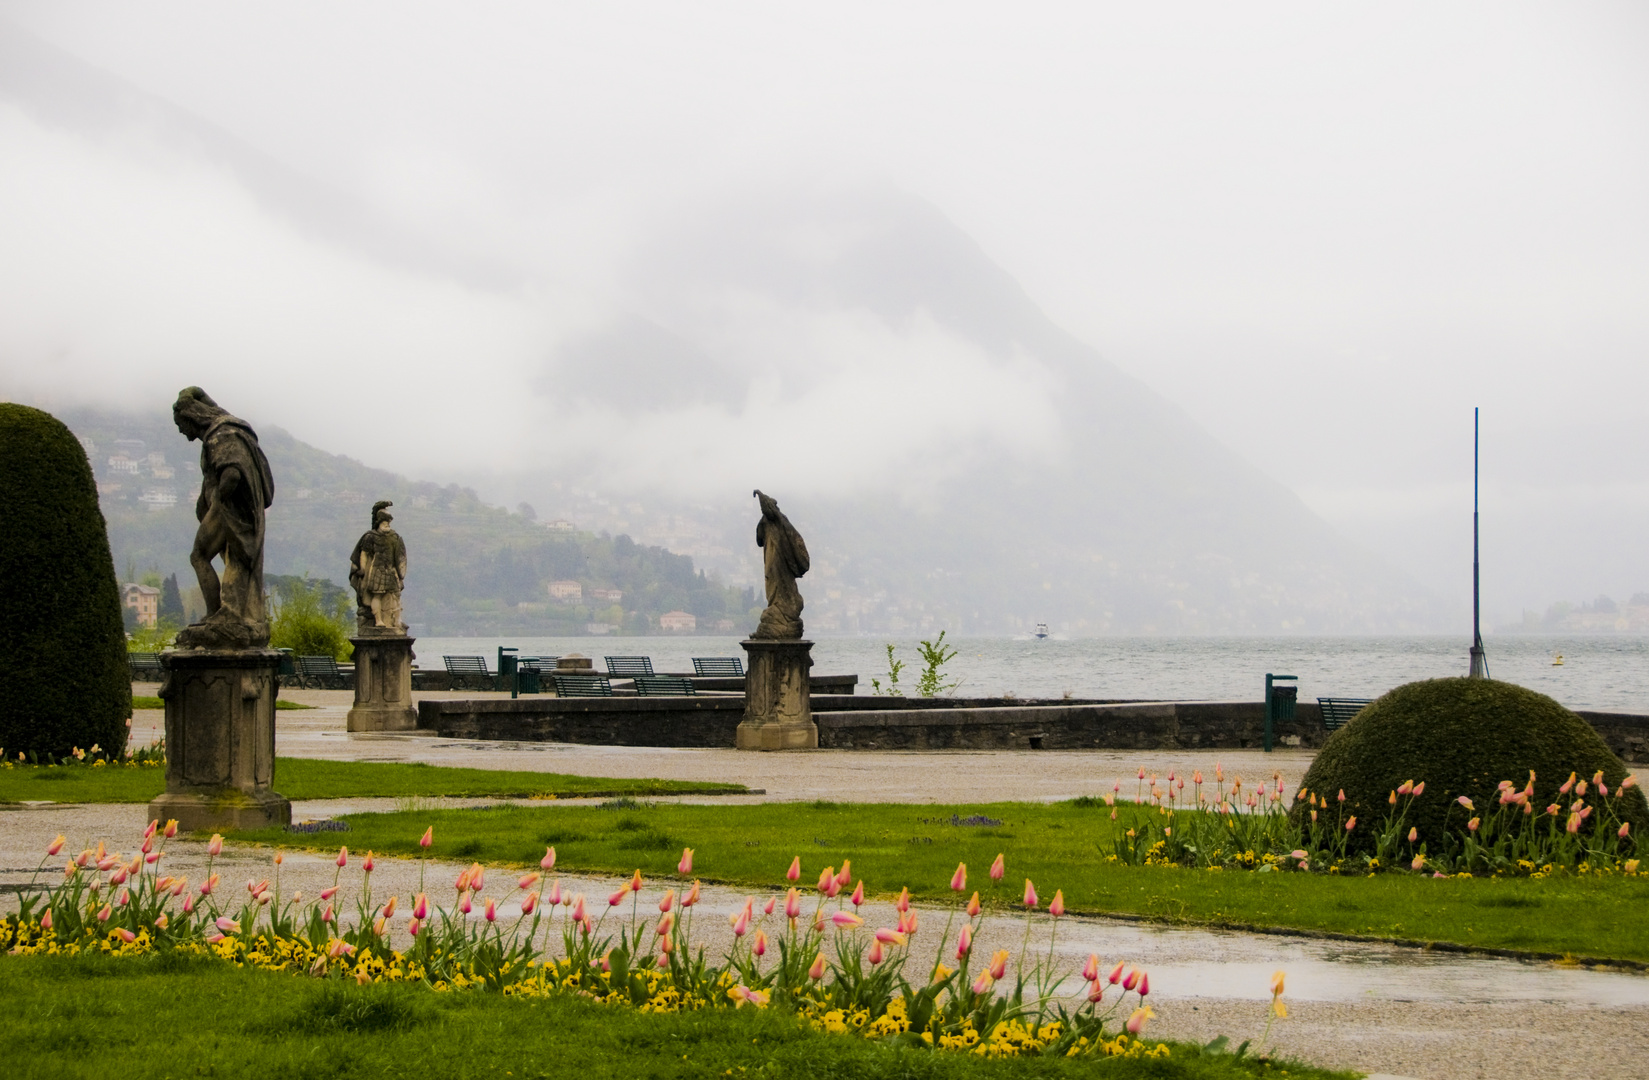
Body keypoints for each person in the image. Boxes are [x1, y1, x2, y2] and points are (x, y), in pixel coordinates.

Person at [171, 387, 275, 649]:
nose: (183, 433)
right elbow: (204, 399)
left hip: (229, 511)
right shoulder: (226, 428)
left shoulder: (221, 435)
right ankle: (226, 614)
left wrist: (219, 502)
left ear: (191, 418)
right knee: (236, 560)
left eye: (181, 425)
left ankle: (218, 614)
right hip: (238, 512)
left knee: (199, 555)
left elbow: (232, 474)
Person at [752, 489, 809, 639]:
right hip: (771, 561)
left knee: (781, 583)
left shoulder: (782, 522)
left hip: (781, 563)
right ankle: (776, 608)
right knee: (772, 582)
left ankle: (783, 612)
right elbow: (759, 539)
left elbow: (793, 540)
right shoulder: (766, 522)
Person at [350, 502, 408, 632]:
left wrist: (399, 575)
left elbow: (399, 557)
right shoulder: (370, 537)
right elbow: (364, 553)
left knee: (395, 595)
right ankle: (378, 620)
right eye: (384, 521)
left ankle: (396, 621)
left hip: (391, 570)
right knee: (377, 595)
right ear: (379, 522)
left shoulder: (394, 537)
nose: (387, 524)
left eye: (388, 521)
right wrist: (363, 569)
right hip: (377, 569)